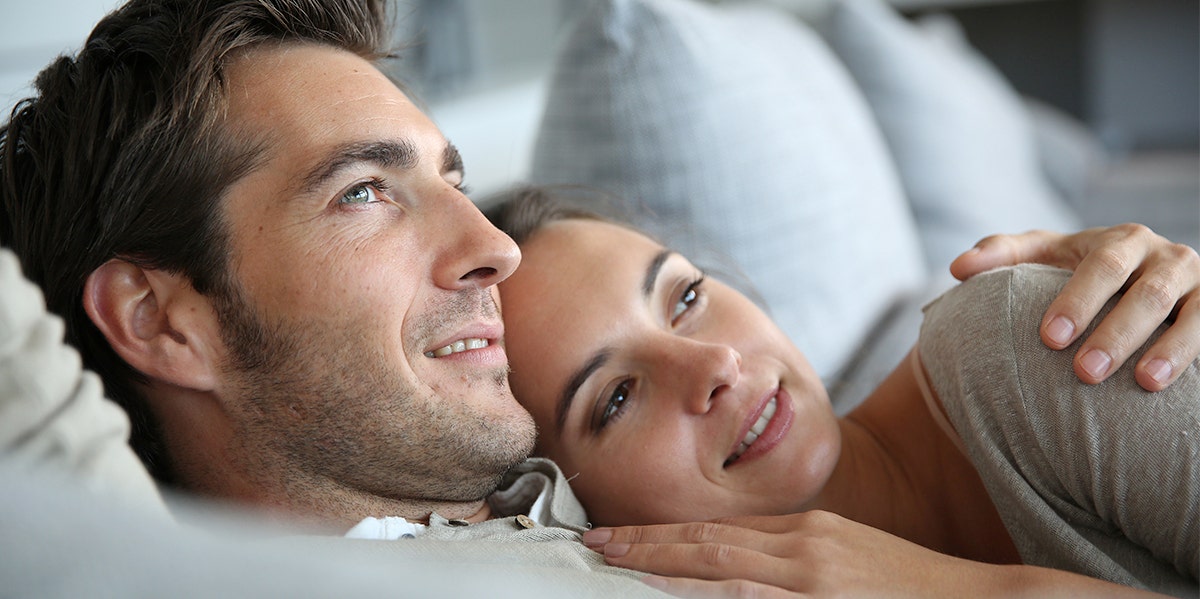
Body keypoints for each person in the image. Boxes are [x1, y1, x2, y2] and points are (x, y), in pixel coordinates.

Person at [0, 0, 1196, 595]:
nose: (487, 250)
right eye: (365, 192)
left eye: (451, 180)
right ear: (163, 320)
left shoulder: (579, 517)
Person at [488, 187, 1199, 598]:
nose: (715, 364)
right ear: (576, 506)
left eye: (687, 296)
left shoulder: (1023, 345)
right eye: (615, 398)